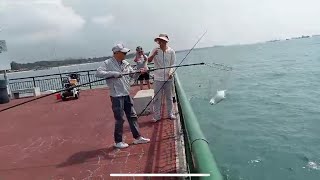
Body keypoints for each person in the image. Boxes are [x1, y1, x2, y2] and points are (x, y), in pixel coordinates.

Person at [95, 43, 150, 149]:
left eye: (125, 52)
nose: (125, 54)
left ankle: (137, 137)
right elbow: (98, 73)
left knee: (132, 116)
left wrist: (140, 72)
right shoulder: (107, 63)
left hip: (126, 93)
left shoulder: (125, 63)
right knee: (119, 118)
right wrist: (112, 73)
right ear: (116, 53)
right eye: (123, 52)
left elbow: (133, 75)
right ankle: (118, 141)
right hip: (116, 95)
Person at [148, 33, 176, 122]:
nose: (161, 42)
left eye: (163, 40)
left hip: (168, 78)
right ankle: (157, 116)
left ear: (166, 41)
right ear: (158, 41)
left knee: (169, 97)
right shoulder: (154, 50)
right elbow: (148, 61)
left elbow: (173, 64)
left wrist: (171, 72)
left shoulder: (171, 51)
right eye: (160, 40)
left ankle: (170, 113)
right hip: (158, 78)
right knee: (157, 98)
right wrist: (153, 55)